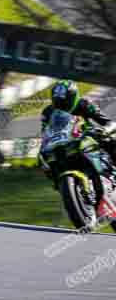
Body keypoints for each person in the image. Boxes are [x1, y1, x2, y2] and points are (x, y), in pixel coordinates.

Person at [41, 80, 116, 218]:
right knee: (45, 161)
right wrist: (43, 147)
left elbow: (108, 122)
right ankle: (71, 192)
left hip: (85, 137)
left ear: (74, 97)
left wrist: (106, 130)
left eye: (65, 101)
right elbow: (45, 132)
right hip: (63, 142)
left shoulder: (85, 104)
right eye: (58, 102)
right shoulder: (48, 112)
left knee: (110, 140)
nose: (62, 105)